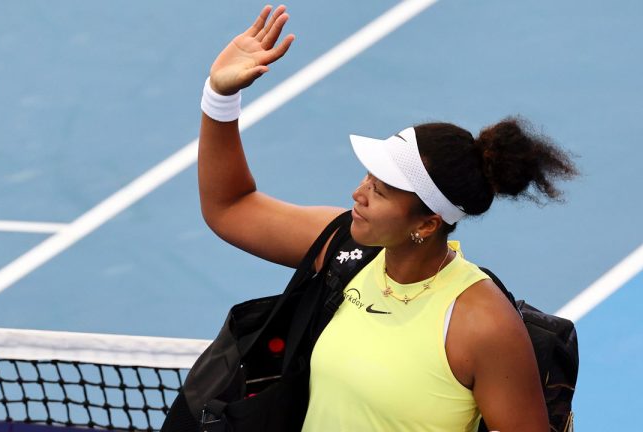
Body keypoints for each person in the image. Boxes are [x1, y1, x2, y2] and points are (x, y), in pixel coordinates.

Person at [198, 5, 577, 431]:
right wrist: (219, 97)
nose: (357, 194)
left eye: (378, 191)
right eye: (367, 178)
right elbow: (230, 208)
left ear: (427, 223)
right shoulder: (345, 247)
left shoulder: (482, 325)